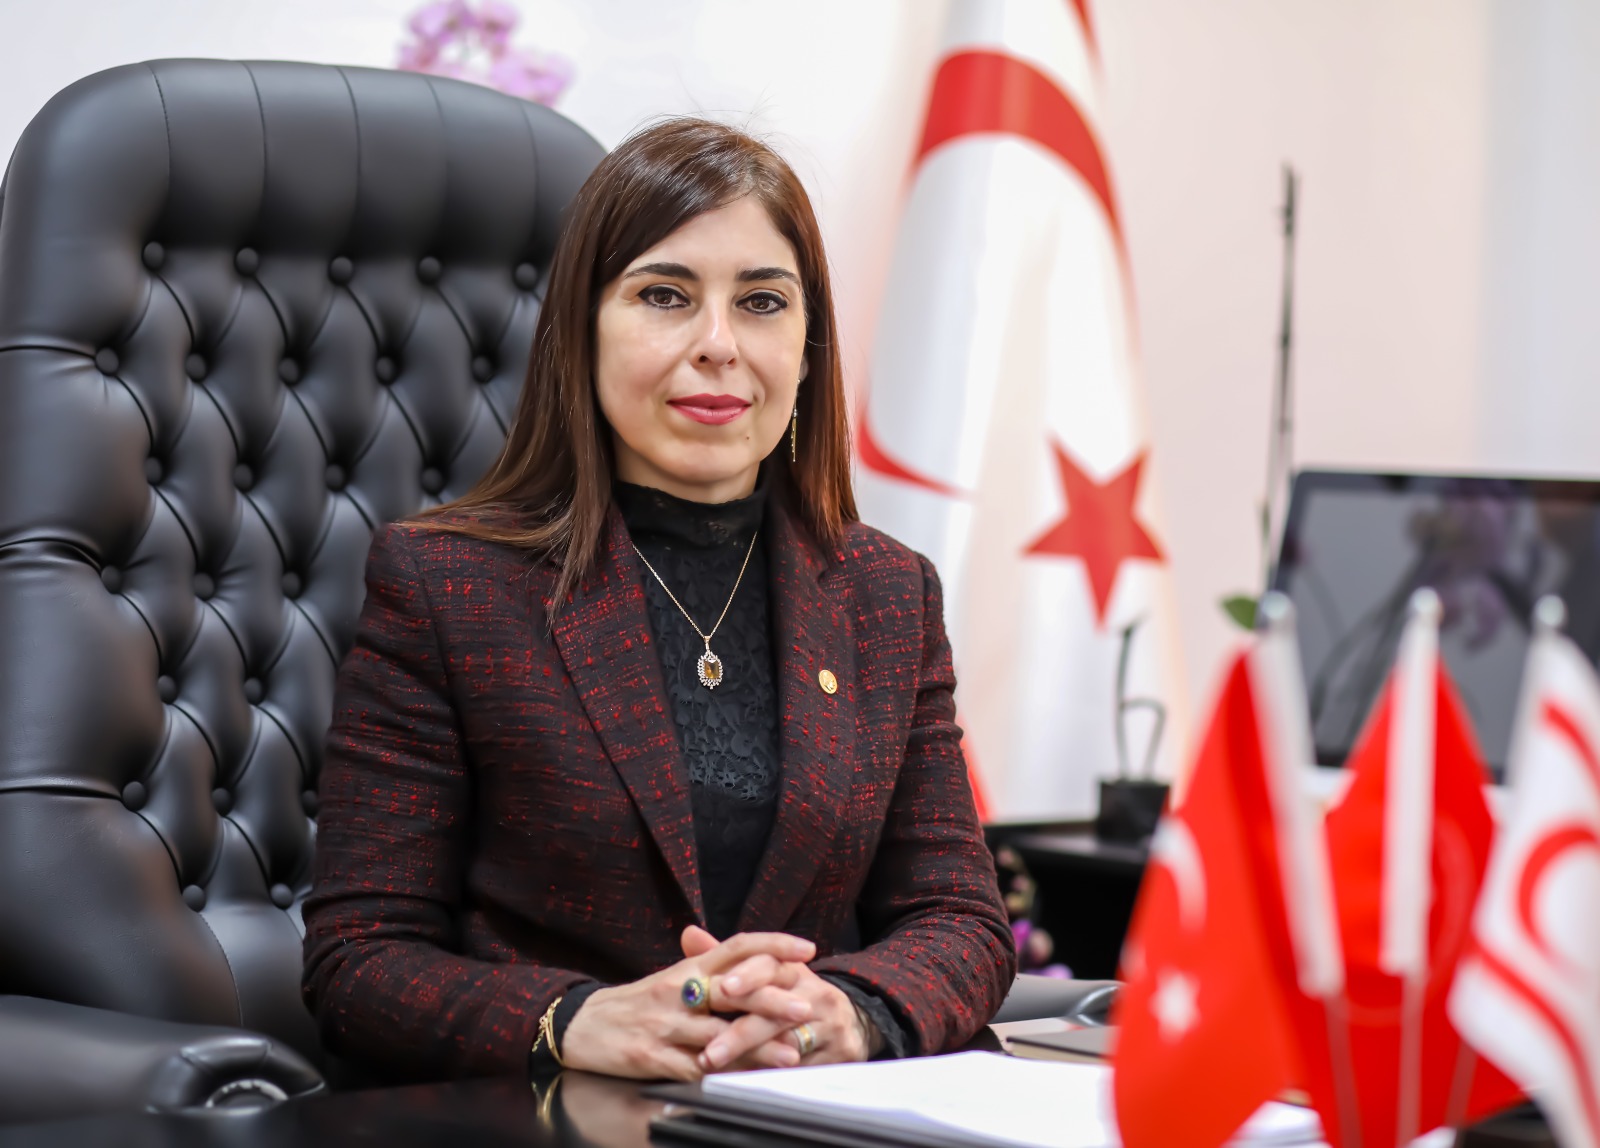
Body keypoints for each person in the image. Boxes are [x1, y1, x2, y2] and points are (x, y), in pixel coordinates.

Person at [302, 117, 1016, 1083]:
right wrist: (571, 1020)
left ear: (808, 348)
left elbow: (959, 919)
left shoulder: (885, 593)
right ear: (583, 330)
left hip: (798, 1111)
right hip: (545, 1113)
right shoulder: (447, 586)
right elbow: (359, 960)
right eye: (665, 296)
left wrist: (847, 1013)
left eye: (762, 302)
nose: (719, 344)